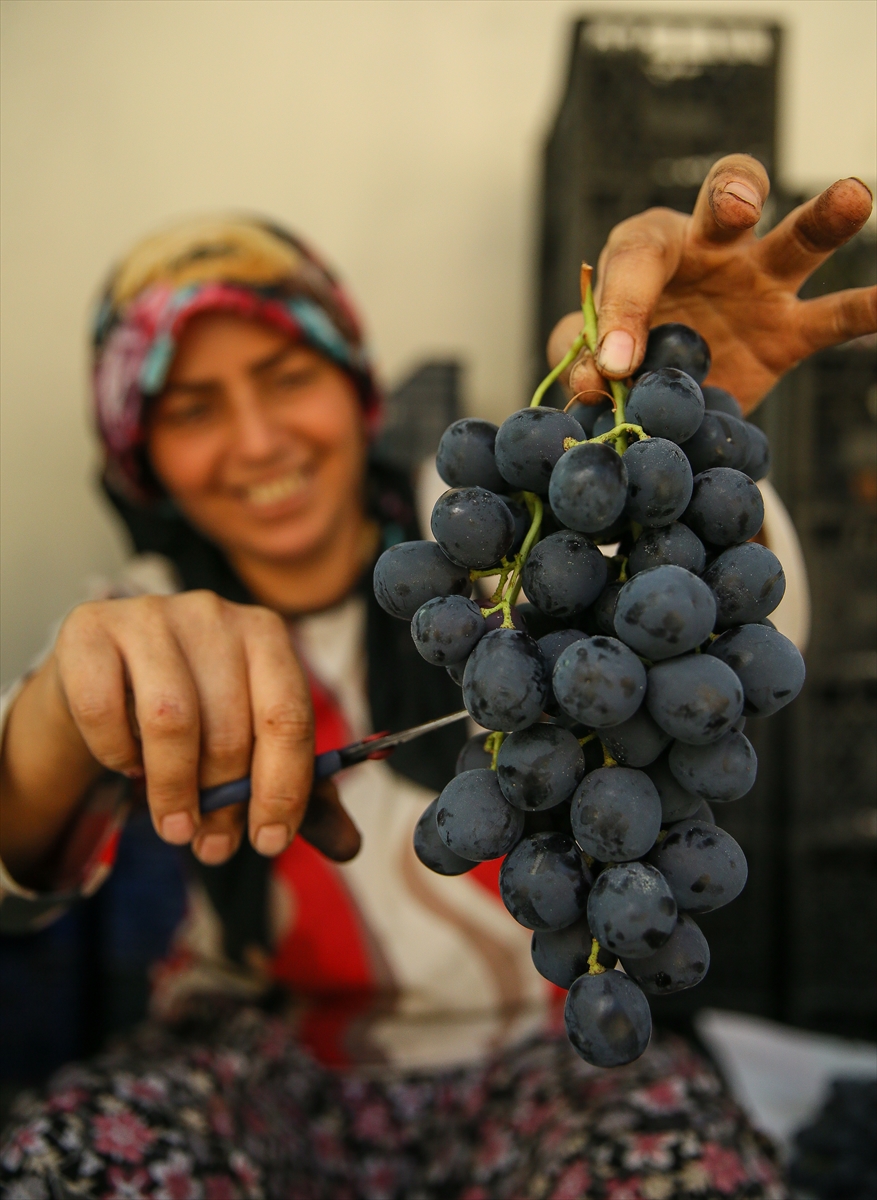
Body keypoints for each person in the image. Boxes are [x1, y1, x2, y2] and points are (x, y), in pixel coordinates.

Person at [0, 156, 873, 1199]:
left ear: (353, 385)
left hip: (542, 1051)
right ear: (140, 457)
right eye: (191, 408)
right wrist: (62, 709)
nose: (257, 437)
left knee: (688, 1171)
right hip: (256, 1055)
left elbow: (710, 661)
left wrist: (672, 448)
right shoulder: (139, 610)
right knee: (70, 1163)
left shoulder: (484, 529)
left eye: (287, 379)